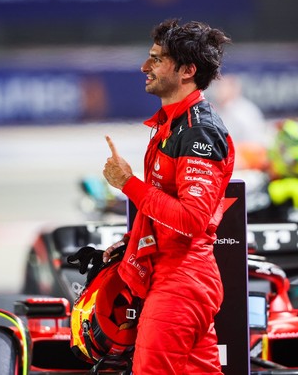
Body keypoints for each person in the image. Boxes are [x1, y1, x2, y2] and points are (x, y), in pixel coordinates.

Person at [101, 19, 235, 374]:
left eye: (157, 59)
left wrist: (128, 183)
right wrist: (133, 241)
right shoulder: (173, 124)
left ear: (187, 70)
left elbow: (191, 220)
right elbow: (164, 205)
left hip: (183, 281)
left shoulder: (197, 131)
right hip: (174, 276)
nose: (145, 67)